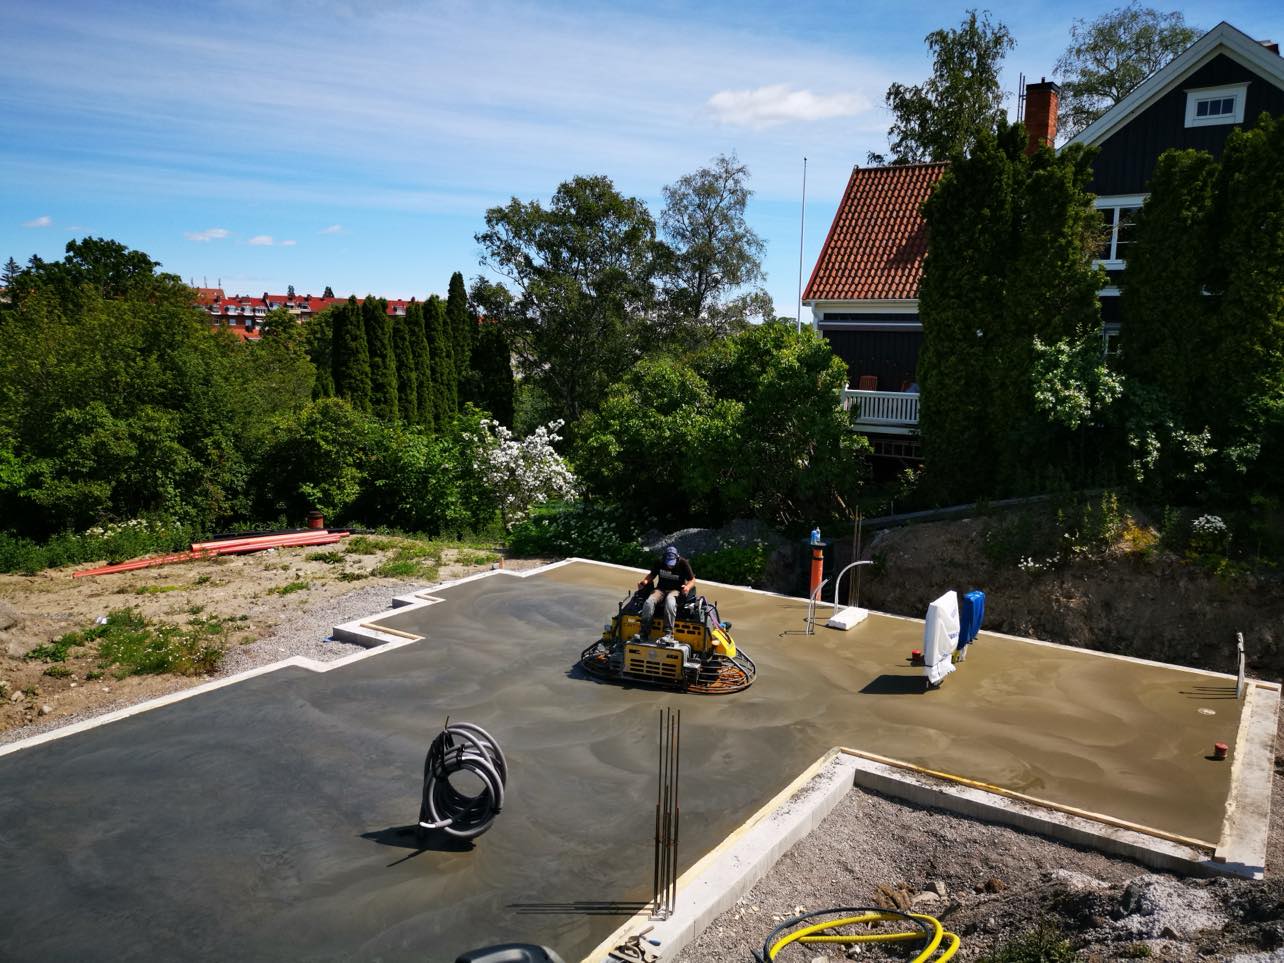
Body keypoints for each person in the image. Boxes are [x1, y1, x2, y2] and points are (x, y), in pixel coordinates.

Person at [634, 546, 695, 642]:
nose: (670, 566)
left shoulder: (683, 563)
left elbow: (692, 579)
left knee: (670, 602)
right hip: (661, 589)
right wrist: (644, 582)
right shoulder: (659, 562)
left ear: (677, 558)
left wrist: (687, 587)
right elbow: (652, 575)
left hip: (676, 590)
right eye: (668, 564)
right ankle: (644, 633)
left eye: (672, 564)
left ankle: (668, 634)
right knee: (649, 602)